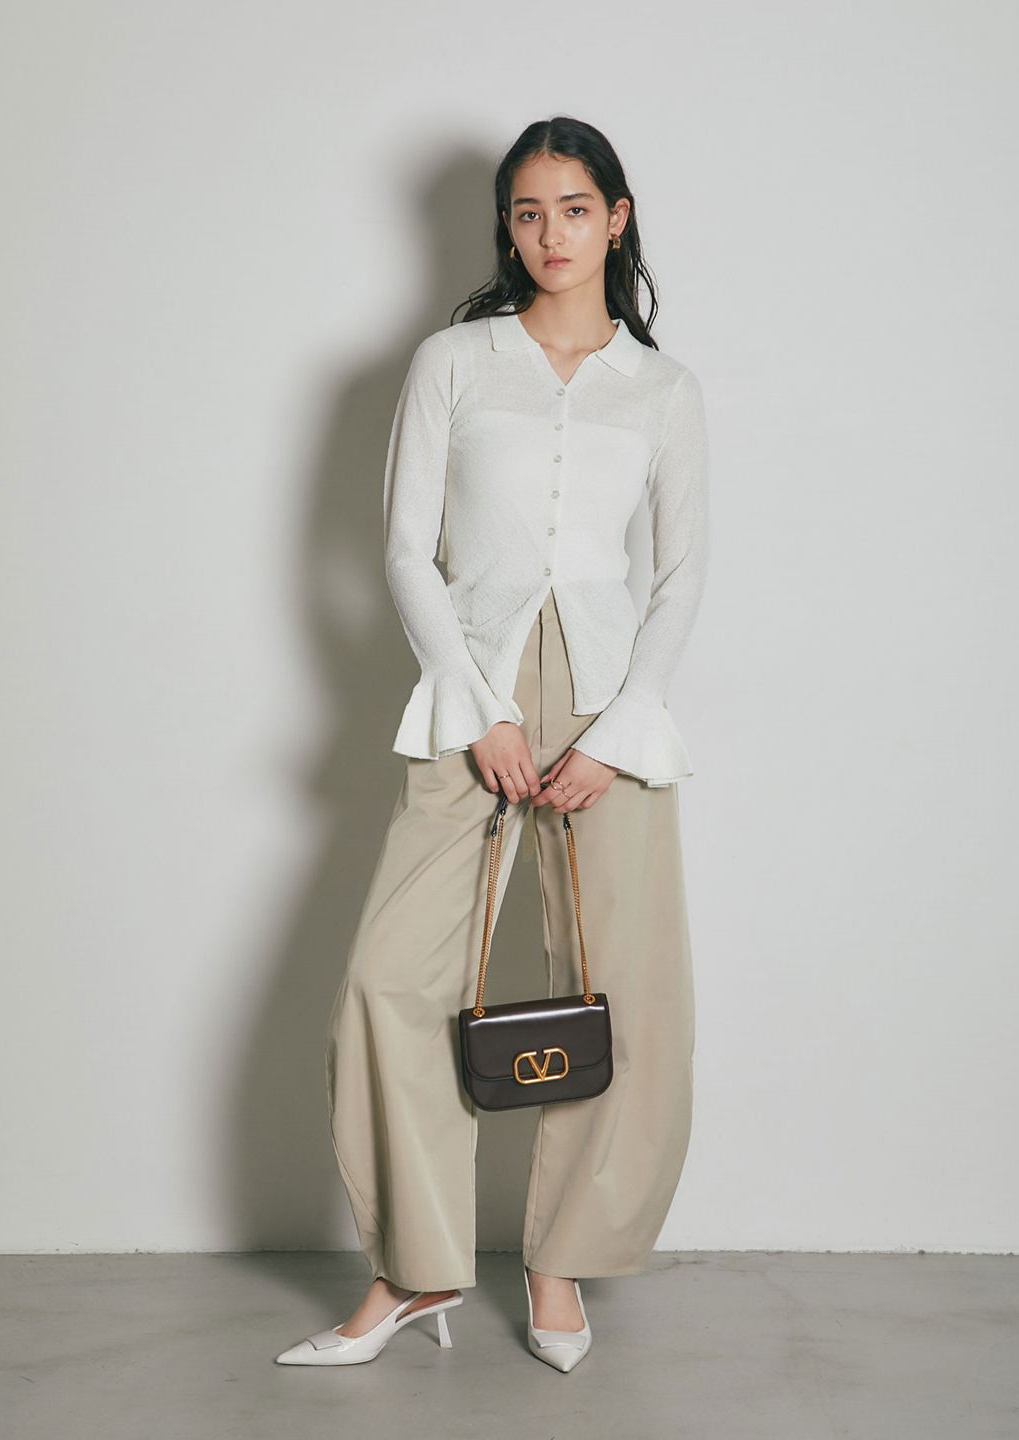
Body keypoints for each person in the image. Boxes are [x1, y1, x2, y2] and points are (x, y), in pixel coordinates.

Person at [276, 114, 710, 1372]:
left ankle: (561, 1259)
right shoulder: (454, 362)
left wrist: (617, 730)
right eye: (527, 212)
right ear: (506, 228)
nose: (550, 234)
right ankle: (416, 1268)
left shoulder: (664, 390)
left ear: (616, 218)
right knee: (388, 980)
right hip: (473, 689)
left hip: (613, 702)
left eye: (574, 209)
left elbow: (680, 577)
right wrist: (481, 707)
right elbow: (403, 552)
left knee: (629, 988)